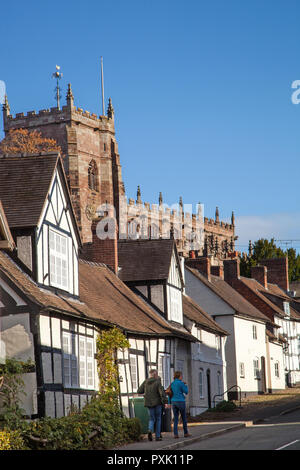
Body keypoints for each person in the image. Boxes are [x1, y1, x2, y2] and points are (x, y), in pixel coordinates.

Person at [137, 369, 167, 442]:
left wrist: (145, 394)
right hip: (157, 403)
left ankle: (150, 430)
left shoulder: (146, 382)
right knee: (158, 419)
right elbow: (161, 393)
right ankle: (157, 436)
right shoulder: (158, 382)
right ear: (155, 374)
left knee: (151, 419)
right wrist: (165, 402)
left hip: (149, 403)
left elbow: (139, 391)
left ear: (150, 375)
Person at [169, 371, 191, 439]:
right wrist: (185, 385)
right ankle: (186, 433)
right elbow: (186, 392)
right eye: (181, 376)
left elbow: (170, 394)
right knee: (184, 417)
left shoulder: (172, 384)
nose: (182, 377)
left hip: (173, 402)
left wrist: (169, 403)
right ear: (179, 376)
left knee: (175, 418)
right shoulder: (181, 383)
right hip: (180, 401)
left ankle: (175, 434)